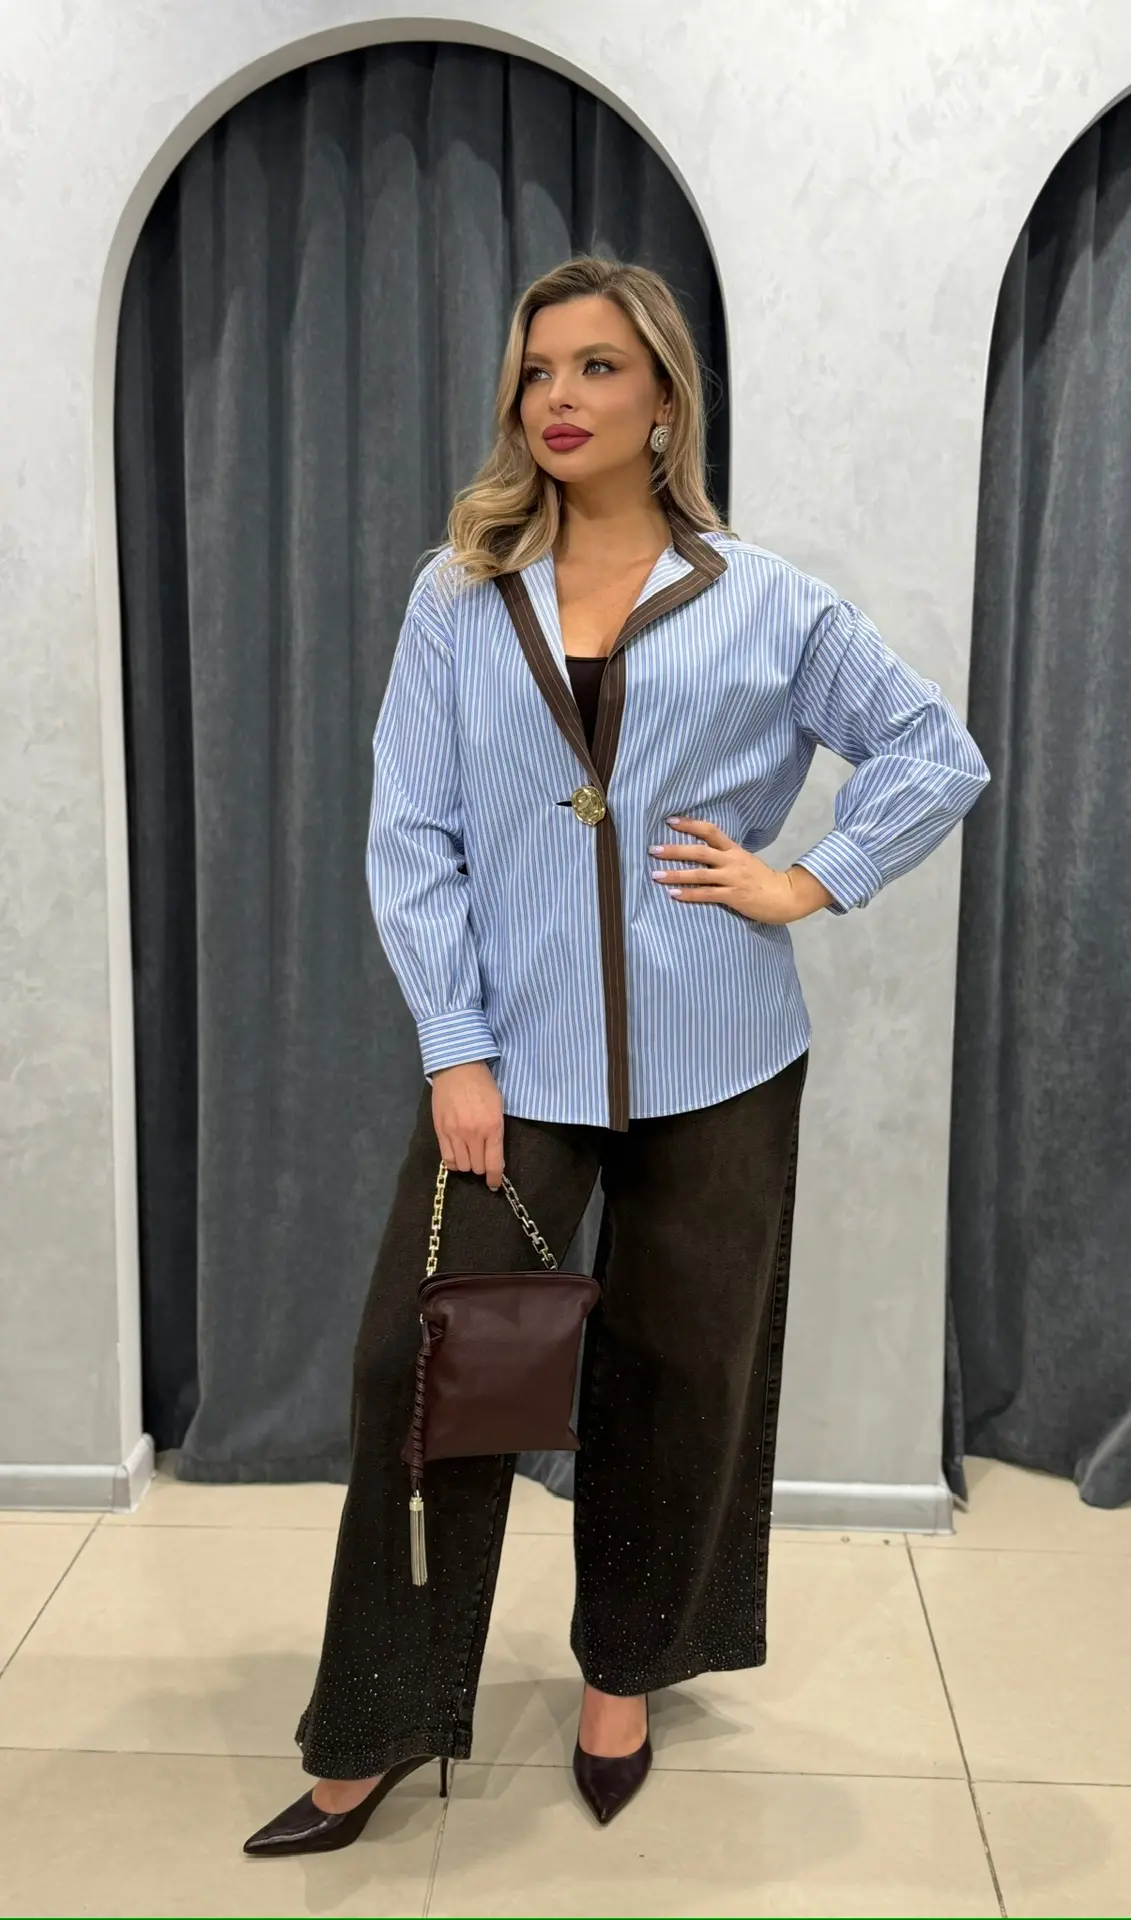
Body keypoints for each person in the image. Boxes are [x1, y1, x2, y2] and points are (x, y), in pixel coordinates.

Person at [243, 254, 991, 1857]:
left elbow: (934, 752)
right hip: (513, 1069)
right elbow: (410, 833)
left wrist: (807, 878)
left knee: (677, 1377)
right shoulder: (459, 595)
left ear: (662, 397)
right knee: (427, 1378)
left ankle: (623, 1679)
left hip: (724, 1061)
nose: (558, 398)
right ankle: (373, 1724)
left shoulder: (766, 600)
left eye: (594, 366)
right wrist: (454, 1049)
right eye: (536, 371)